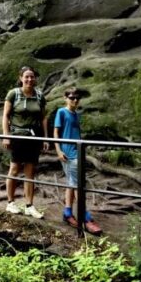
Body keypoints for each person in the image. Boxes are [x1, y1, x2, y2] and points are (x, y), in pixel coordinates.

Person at [1, 66, 49, 218]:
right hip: (17, 136)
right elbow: (5, 116)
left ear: (35, 79)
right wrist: (6, 135)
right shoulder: (13, 94)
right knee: (14, 168)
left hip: (34, 138)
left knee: (30, 172)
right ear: (21, 78)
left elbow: (43, 118)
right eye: (26, 77)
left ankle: (29, 205)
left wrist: (46, 137)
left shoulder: (39, 96)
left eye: (32, 77)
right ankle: (10, 203)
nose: (29, 79)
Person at [53, 87, 101, 234]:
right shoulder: (62, 112)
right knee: (79, 185)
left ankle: (68, 213)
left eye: (77, 98)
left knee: (72, 183)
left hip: (77, 152)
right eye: (72, 97)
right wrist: (58, 151)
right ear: (65, 98)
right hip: (67, 153)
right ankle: (85, 217)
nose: (75, 100)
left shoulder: (76, 114)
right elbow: (55, 132)